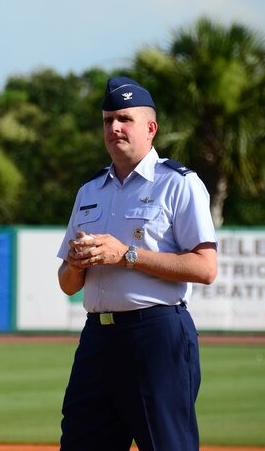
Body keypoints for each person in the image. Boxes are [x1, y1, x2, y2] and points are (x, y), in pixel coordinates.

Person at [56, 76, 218, 451]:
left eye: (124, 118)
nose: (114, 127)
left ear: (150, 127)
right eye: (107, 119)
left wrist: (127, 255)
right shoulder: (89, 191)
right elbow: (67, 283)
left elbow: (205, 268)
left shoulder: (178, 184)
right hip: (97, 337)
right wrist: (78, 264)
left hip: (156, 334)